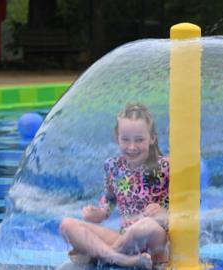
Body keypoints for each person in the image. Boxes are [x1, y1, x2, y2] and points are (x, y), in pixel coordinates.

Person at [59, 102, 169, 269]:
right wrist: (100, 213)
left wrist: (165, 213)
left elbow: (189, 210)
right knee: (67, 224)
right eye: (125, 139)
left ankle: (100, 254)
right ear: (117, 137)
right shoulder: (113, 166)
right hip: (123, 237)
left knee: (145, 227)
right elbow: (109, 200)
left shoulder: (165, 167)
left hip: (155, 240)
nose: (132, 147)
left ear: (152, 138)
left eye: (139, 140)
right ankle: (120, 259)